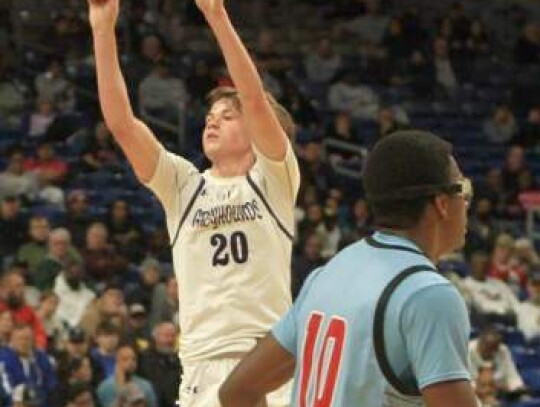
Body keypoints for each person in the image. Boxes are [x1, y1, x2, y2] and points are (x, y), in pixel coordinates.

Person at [87, 0, 299, 406]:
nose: (212, 120)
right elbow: (123, 125)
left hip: (265, 360)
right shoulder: (184, 185)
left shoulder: (274, 179)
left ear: (257, 130)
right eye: (211, 115)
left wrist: (216, 15)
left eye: (227, 115)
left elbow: (255, 100)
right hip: (201, 365)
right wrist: (102, 28)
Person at [220, 131, 478, 406]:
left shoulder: (329, 273)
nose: (466, 203)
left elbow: (237, 391)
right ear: (441, 204)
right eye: (462, 190)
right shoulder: (428, 295)